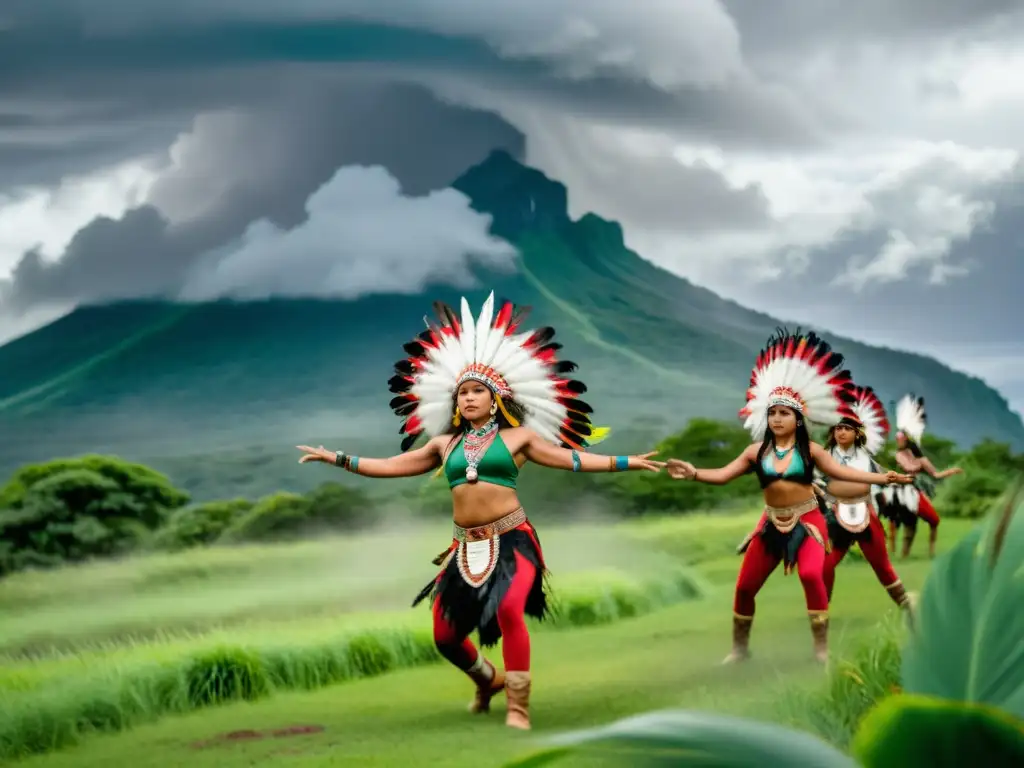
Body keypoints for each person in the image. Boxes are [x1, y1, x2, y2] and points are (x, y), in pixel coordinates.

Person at [296, 292, 663, 730]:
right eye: (462, 392)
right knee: (445, 637)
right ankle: (488, 680)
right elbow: (391, 467)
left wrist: (627, 461)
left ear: (496, 399)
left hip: (512, 541)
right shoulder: (443, 445)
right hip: (462, 549)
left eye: (477, 392)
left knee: (509, 610)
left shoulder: (519, 439)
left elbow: (574, 459)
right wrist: (336, 458)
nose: (468, 398)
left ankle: (518, 708)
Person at [664, 328, 912, 663]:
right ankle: (739, 650)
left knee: (812, 575)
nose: (777, 418)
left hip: (808, 521)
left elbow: (844, 473)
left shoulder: (810, 451)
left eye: (784, 413)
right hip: (769, 526)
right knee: (744, 587)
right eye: (773, 413)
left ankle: (821, 650)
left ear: (798, 419)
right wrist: (693, 472)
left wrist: (884, 476)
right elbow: (722, 475)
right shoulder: (755, 452)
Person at [815, 385, 912, 615]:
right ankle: (821, 611)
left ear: (857, 432)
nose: (841, 432)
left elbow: (883, 476)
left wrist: (898, 478)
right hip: (835, 518)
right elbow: (815, 481)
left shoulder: (866, 459)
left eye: (847, 428)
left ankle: (907, 607)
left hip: (866, 517)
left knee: (883, 567)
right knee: (825, 565)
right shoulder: (824, 458)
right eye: (838, 428)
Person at [879, 394, 964, 559]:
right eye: (897, 438)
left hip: (913, 491)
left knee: (933, 521)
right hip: (898, 489)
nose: (897, 440)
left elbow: (936, 474)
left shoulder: (921, 459)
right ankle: (891, 551)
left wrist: (952, 471)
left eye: (900, 438)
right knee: (893, 520)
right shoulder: (899, 455)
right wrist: (919, 465)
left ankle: (926, 552)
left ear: (907, 440)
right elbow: (907, 467)